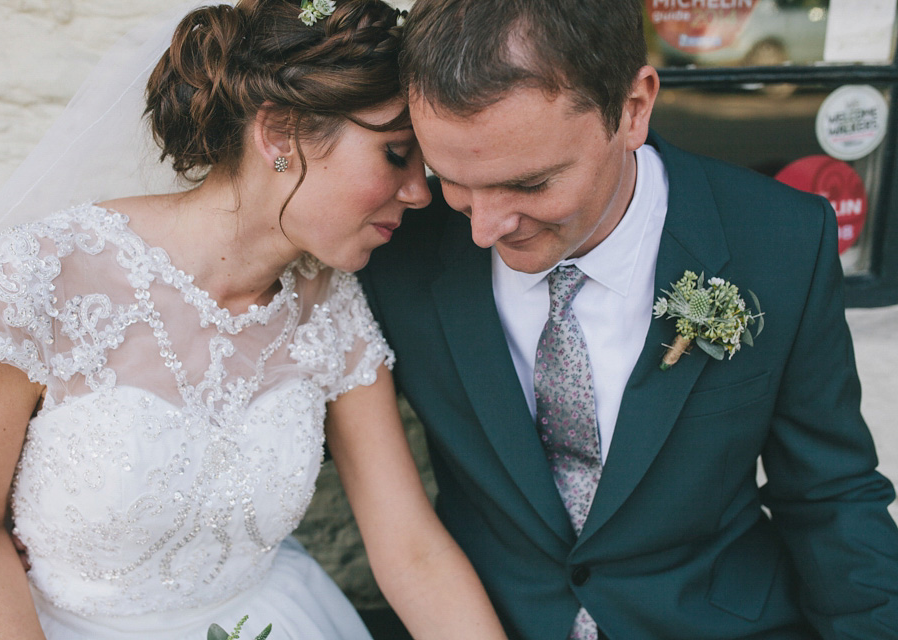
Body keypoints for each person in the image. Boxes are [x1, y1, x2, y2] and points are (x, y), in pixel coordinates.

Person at [0, 1, 510, 639]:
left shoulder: (331, 305)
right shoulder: (38, 280)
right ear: (279, 131)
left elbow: (411, 548)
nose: (420, 192)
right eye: (396, 154)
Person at [358, 0, 898, 638]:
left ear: (634, 107)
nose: (484, 228)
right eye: (454, 181)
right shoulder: (393, 249)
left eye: (531, 185)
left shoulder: (779, 241)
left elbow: (829, 496)